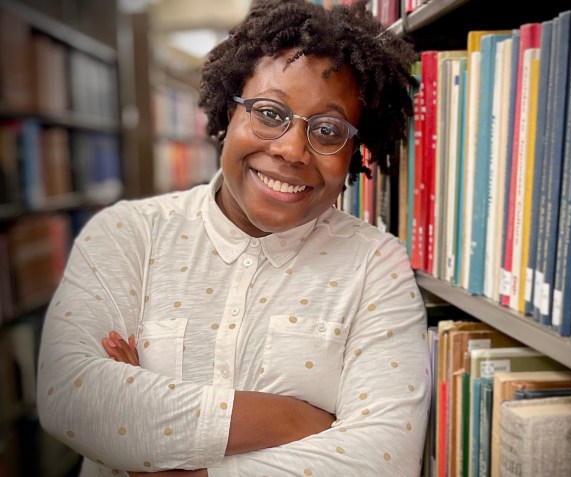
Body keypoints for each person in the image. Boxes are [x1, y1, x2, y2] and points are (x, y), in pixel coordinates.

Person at [36, 0, 431, 475]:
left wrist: (154, 431)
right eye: (269, 113)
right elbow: (70, 395)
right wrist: (295, 421)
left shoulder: (375, 265)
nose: (290, 149)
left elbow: (381, 460)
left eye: (327, 130)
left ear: (353, 150)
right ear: (229, 110)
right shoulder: (127, 233)